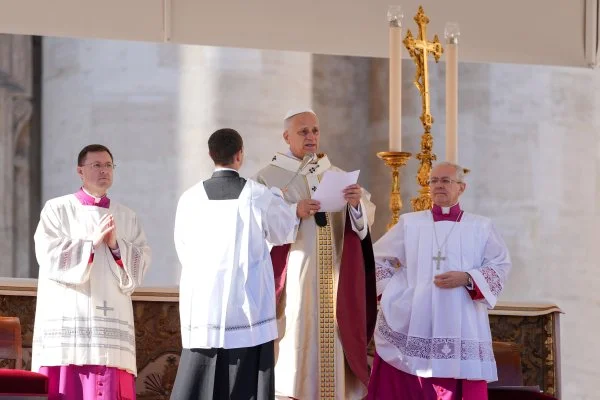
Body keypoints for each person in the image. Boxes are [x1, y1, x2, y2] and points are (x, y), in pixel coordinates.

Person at [254, 109, 377, 400]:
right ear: (286, 136)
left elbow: (364, 222)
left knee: (335, 335)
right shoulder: (266, 177)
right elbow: (255, 224)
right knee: (296, 335)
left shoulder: (335, 175)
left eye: (315, 131)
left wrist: (356, 205)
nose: (311, 137)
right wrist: (293, 211)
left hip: (334, 280)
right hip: (295, 278)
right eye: (303, 132)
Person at [170, 128, 300, 400]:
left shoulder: (189, 198)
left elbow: (183, 249)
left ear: (210, 155)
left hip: (204, 310)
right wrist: (281, 198)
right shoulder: (260, 195)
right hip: (247, 311)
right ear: (240, 155)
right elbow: (284, 232)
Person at [368, 161, 512, 400]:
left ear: (461, 188)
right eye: (433, 181)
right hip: (418, 317)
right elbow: (377, 260)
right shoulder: (410, 223)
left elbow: (500, 265)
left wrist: (467, 277)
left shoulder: (480, 226)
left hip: (463, 317)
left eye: (446, 181)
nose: (438, 186)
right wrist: (398, 294)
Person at [32, 144, 152, 400]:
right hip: (70, 318)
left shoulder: (127, 216)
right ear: (80, 170)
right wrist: (91, 243)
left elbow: (141, 261)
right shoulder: (57, 209)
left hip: (110, 321)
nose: (104, 171)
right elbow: (47, 253)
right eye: (96, 165)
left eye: (108, 165)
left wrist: (116, 245)